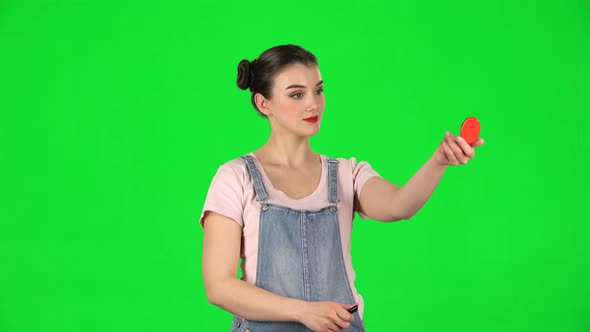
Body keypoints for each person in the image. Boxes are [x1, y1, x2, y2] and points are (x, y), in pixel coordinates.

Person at [199, 44, 485, 332]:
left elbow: (400, 205)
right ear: (264, 104)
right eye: (296, 94)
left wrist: (438, 161)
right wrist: (303, 312)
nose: (313, 104)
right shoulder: (235, 178)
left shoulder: (347, 174)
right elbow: (219, 286)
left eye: (318, 90)